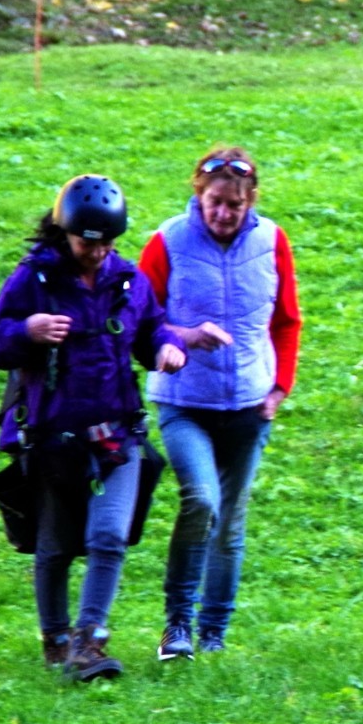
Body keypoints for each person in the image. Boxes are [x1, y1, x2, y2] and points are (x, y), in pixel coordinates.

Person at [0, 176, 227, 681]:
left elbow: (150, 327)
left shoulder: (128, 281)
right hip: (52, 436)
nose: (96, 252)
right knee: (54, 547)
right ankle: (56, 637)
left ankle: (90, 642)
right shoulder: (34, 281)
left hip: (118, 434)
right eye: (86, 241)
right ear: (65, 232)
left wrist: (164, 349)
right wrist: (27, 331)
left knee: (109, 535)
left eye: (106, 242)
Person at [139, 147, 301, 660]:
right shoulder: (168, 242)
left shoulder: (272, 241)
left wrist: (279, 389)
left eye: (234, 204)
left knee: (230, 525)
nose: (223, 213)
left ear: (250, 200)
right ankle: (176, 626)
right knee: (202, 501)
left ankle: (212, 635)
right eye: (214, 201)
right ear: (198, 194)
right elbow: (139, 320)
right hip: (184, 403)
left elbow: (287, 321)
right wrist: (182, 337)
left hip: (249, 409)